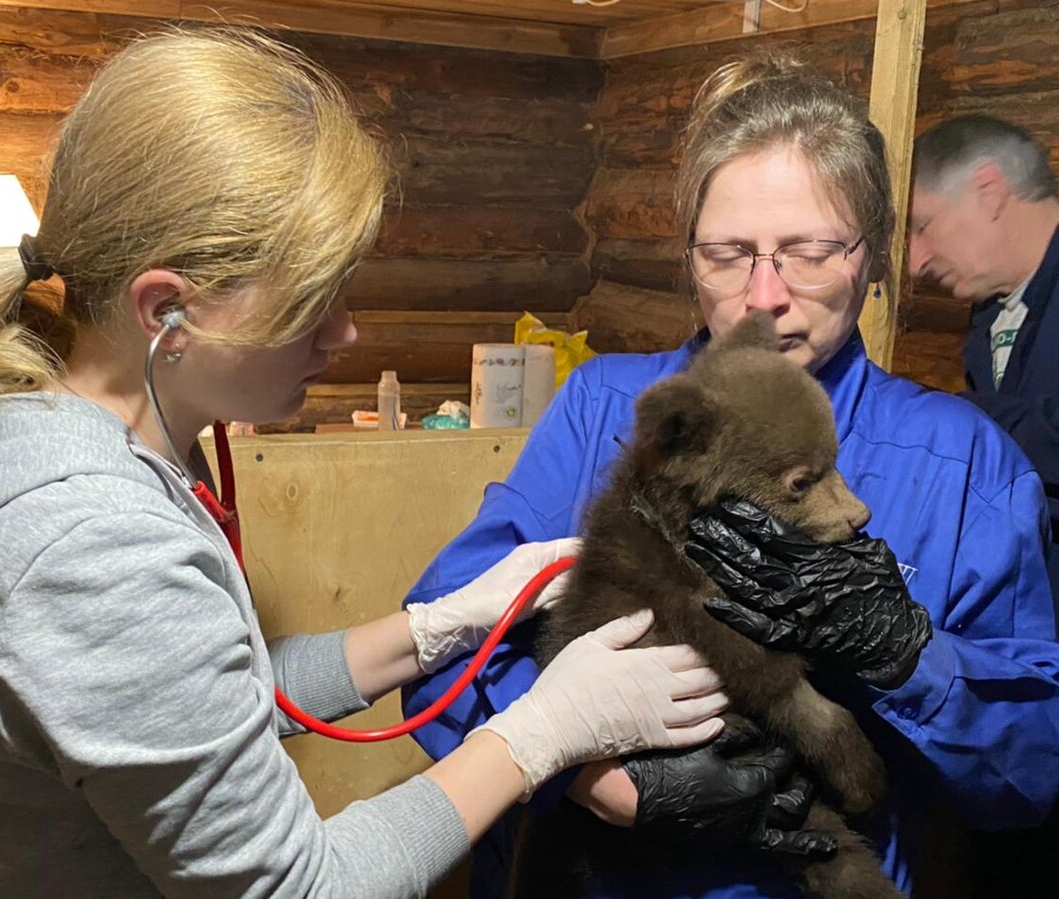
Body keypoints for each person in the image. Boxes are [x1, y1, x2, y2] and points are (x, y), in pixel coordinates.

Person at [0, 29, 741, 898]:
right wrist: (544, 730)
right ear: (168, 310)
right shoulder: (97, 552)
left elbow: (200, 707)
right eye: (315, 301)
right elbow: (303, 887)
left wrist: (440, 626)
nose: (345, 331)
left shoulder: (40, 431)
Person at [403, 52, 1059, 898]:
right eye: (727, 253)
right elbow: (446, 650)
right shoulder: (605, 408)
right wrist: (590, 769)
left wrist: (910, 658)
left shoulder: (962, 463)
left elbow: (1034, 766)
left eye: (808, 252)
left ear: (872, 255)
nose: (761, 296)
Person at [910, 114, 1059, 607]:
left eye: (923, 226)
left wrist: (950, 419)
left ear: (989, 189)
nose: (916, 261)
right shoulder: (991, 314)